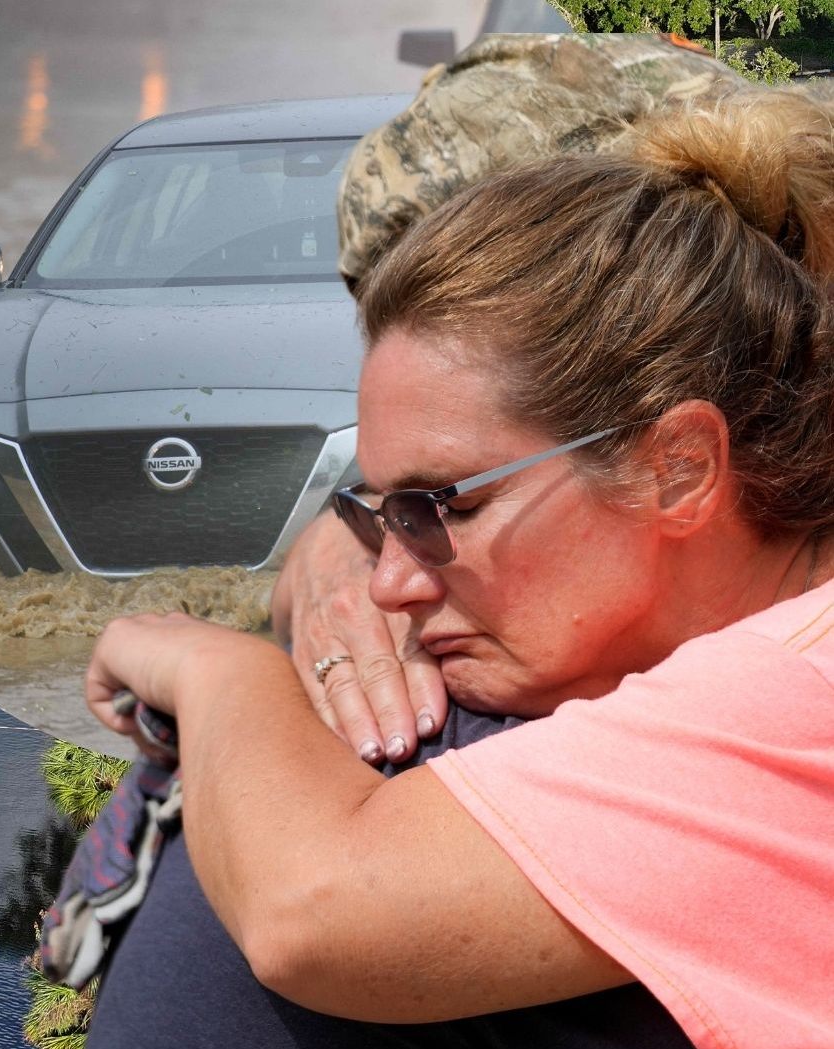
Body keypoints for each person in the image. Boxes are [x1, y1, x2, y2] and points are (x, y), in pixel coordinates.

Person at [78, 87, 834, 1048]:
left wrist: (214, 667)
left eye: (449, 505)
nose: (388, 583)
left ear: (677, 467)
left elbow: (309, 911)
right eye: (376, 512)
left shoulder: (794, 700)